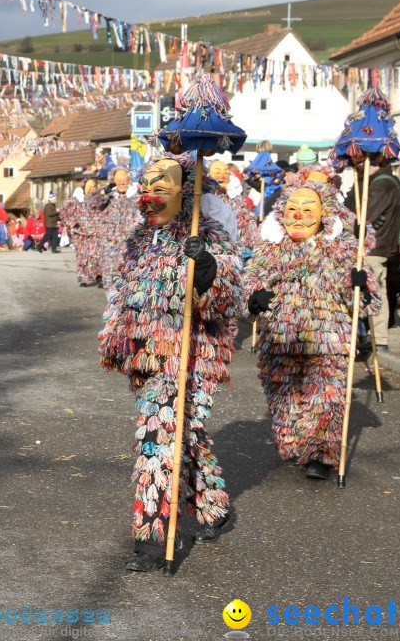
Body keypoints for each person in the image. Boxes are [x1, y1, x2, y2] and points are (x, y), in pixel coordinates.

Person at [98, 151, 240, 572]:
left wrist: (208, 272)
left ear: (187, 192)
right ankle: (214, 510)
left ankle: (154, 536)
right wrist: (116, 340)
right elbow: (124, 291)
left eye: (161, 187)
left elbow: (229, 298)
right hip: (147, 358)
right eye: (146, 187)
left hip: (190, 358)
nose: (149, 195)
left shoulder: (207, 235)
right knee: (183, 435)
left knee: (159, 438)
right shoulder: (140, 238)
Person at [245, 174, 380, 481]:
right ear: (282, 212)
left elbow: (367, 303)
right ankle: (293, 441)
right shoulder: (270, 247)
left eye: (308, 211)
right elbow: (250, 281)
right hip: (281, 335)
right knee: (283, 393)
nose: (300, 217)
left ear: (323, 215)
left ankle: (319, 452)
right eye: (294, 210)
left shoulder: (343, 249)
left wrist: (361, 286)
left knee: (326, 395)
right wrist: (253, 299)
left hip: (328, 337)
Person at [345, 158, 400, 351]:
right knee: (375, 290)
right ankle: (376, 336)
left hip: (374, 246)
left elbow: (366, 214)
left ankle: (379, 338)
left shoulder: (382, 184)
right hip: (377, 245)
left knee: (375, 292)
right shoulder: (382, 182)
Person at [92, 169, 141, 287]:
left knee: (129, 277)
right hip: (110, 246)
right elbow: (91, 202)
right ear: (113, 182)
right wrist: (104, 191)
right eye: (118, 180)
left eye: (124, 179)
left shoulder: (136, 198)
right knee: (110, 279)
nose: (122, 182)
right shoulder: (108, 198)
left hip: (129, 245)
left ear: (128, 180)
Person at [59, 183, 98, 286]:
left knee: (93, 255)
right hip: (79, 234)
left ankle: (95, 275)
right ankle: (83, 279)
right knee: (82, 257)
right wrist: (73, 224)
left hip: (92, 233)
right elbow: (63, 215)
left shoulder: (90, 201)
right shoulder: (70, 203)